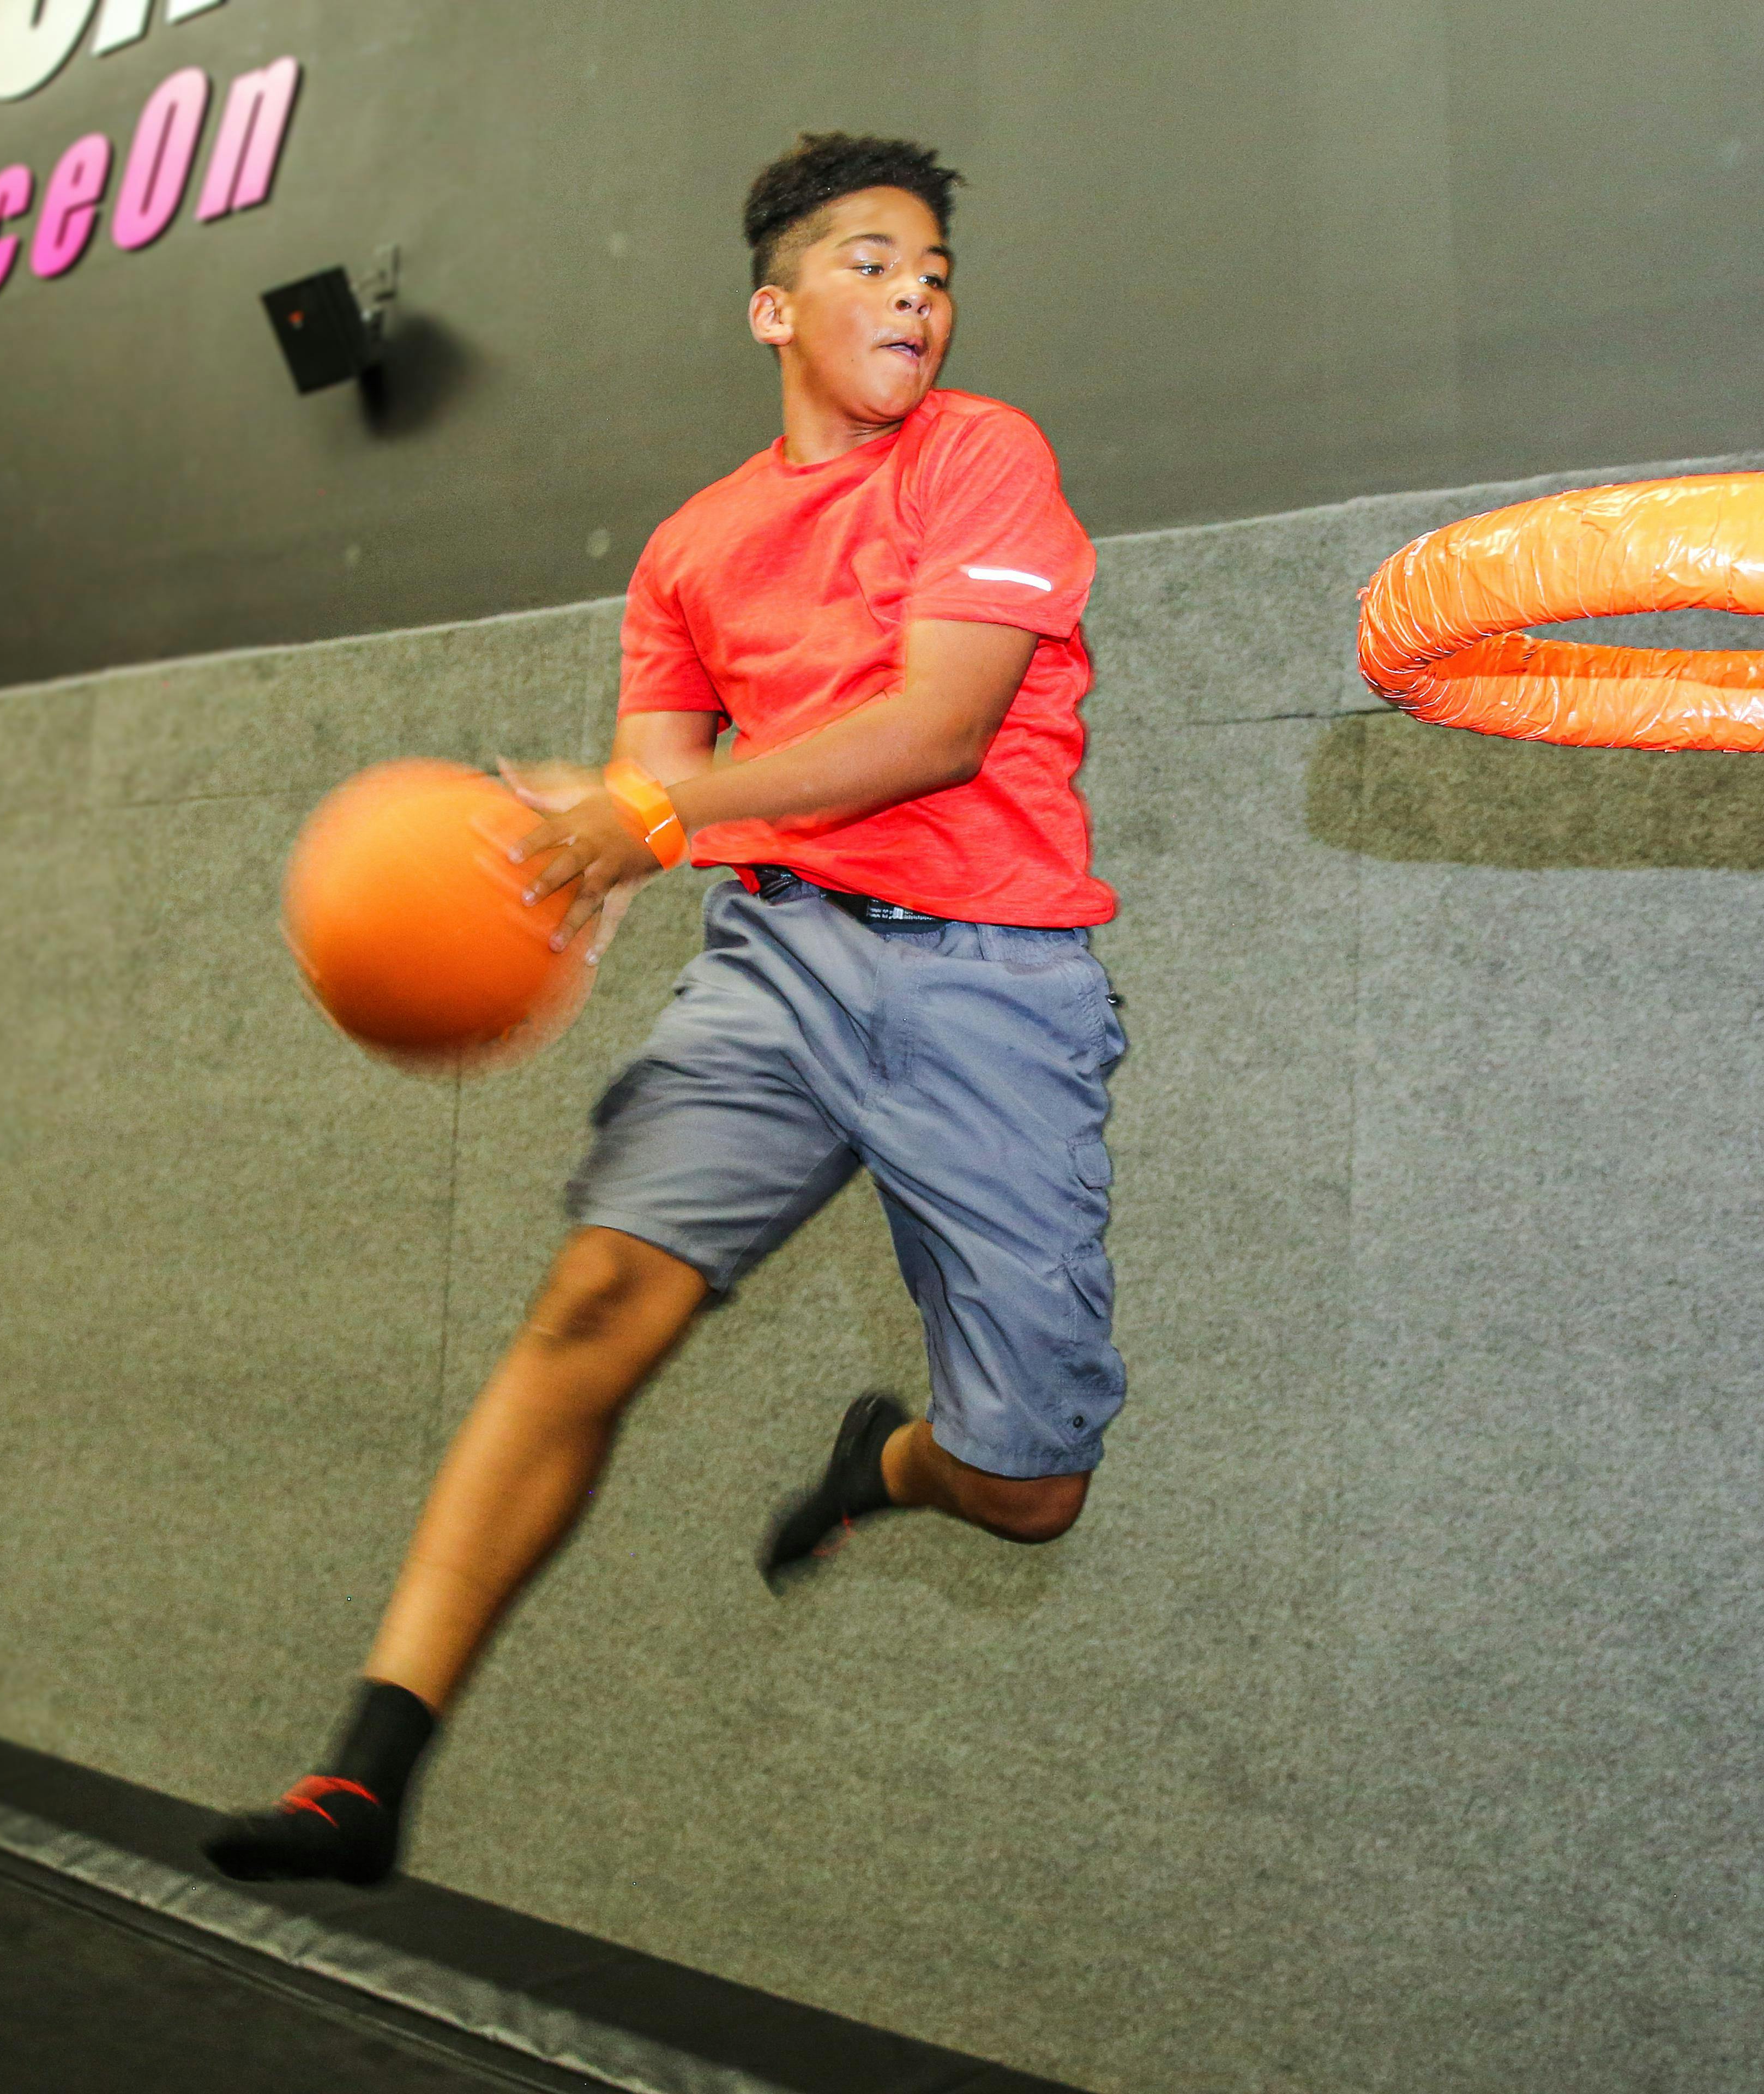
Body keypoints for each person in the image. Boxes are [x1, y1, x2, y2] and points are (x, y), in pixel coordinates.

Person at [207, 132, 1124, 1888]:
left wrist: (655, 816)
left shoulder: (982, 457)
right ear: (773, 309)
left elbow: (933, 730)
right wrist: (568, 857)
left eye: (934, 271)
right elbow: (656, 790)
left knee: (1032, 1486)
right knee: (591, 1308)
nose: (916, 294)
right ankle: (363, 1776)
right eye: (869, 262)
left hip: (989, 983)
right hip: (779, 959)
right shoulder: (696, 547)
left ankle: (892, 1466)